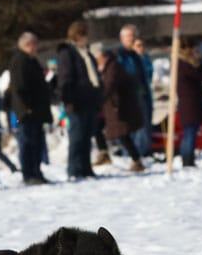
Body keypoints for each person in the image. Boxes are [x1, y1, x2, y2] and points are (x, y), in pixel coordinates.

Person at [56, 20, 102, 180]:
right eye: (85, 35)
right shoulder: (68, 53)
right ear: (78, 36)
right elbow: (65, 78)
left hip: (89, 100)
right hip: (76, 101)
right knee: (77, 136)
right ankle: (74, 169)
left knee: (87, 136)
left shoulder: (87, 53)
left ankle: (85, 167)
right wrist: (68, 100)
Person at [8, 31, 52, 185]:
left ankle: (37, 172)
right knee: (28, 143)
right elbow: (19, 87)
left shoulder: (31, 60)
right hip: (28, 111)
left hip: (37, 110)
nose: (36, 48)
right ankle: (29, 174)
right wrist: (25, 108)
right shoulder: (20, 61)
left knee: (37, 143)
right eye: (33, 45)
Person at [92, 44, 145, 172]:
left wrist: (98, 100)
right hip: (112, 106)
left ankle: (136, 160)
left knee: (122, 134)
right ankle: (104, 152)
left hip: (119, 106)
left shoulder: (113, 67)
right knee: (98, 127)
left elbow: (109, 86)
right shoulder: (107, 66)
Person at [116, 24, 151, 158]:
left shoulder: (137, 56)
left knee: (143, 127)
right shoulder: (121, 56)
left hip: (141, 94)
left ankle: (141, 154)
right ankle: (133, 156)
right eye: (130, 36)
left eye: (134, 36)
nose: (133, 39)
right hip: (129, 97)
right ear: (122, 38)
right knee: (134, 129)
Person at [176, 37, 202, 168]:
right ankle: (187, 160)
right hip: (189, 104)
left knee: (191, 131)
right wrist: (199, 62)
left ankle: (188, 159)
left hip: (191, 103)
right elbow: (200, 75)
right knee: (189, 132)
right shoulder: (184, 64)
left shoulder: (182, 63)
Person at [133, 37, 155, 152]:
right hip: (136, 96)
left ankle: (145, 149)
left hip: (146, 94)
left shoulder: (146, 59)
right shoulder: (131, 60)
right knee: (139, 126)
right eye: (138, 45)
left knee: (146, 123)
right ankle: (138, 150)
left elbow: (149, 75)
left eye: (142, 45)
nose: (141, 48)